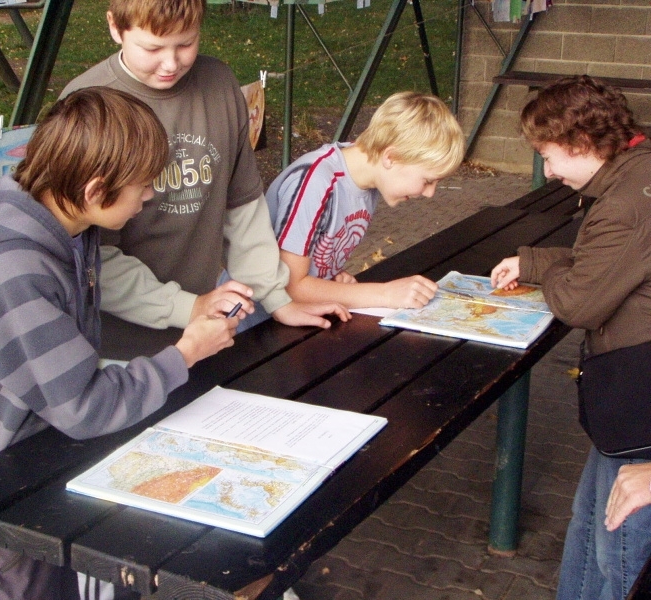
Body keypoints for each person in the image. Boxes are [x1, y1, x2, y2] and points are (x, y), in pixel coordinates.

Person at [0, 87, 238, 600]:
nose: (149, 198)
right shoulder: (16, 268)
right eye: (144, 186)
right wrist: (186, 352)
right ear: (96, 190)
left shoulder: (68, 226)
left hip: (37, 446)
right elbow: (84, 404)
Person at [60, 0, 349, 348]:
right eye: (152, 48)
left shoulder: (219, 84)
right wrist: (187, 307)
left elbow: (243, 208)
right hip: (115, 346)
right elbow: (89, 254)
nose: (171, 63)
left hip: (202, 330)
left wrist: (277, 299)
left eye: (186, 43)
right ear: (114, 27)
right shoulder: (87, 103)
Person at [489, 75, 651, 600]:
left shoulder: (627, 203)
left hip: (641, 406)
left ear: (580, 142)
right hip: (626, 403)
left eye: (547, 155)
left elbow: (579, 302)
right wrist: (534, 262)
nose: (548, 170)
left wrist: (555, 273)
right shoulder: (635, 170)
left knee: (620, 557)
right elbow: (600, 262)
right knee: (587, 531)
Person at [265, 91, 465, 312]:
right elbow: (290, 287)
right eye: (427, 181)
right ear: (390, 157)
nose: (430, 193)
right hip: (258, 323)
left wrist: (332, 280)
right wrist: (386, 294)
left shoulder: (369, 182)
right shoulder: (316, 181)